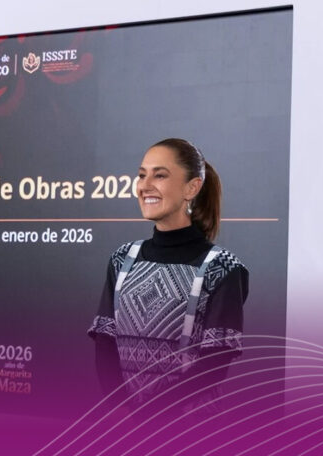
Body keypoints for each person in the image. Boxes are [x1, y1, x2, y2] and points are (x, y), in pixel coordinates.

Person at [88, 138, 249, 415]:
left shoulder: (223, 267)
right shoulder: (122, 259)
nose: (145, 185)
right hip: (126, 428)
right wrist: (124, 412)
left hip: (191, 431)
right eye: (142, 175)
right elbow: (105, 343)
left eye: (160, 175)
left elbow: (214, 364)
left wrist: (150, 416)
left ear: (192, 188)